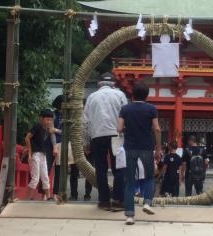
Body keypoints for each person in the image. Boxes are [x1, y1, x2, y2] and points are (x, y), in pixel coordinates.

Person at [117, 82, 161, 225]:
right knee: (149, 177)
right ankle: (147, 202)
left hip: (129, 147)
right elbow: (157, 129)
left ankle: (129, 216)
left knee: (130, 181)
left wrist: (129, 131)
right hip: (146, 148)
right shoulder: (151, 108)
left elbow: (119, 128)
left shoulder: (125, 109)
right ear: (146, 95)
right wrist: (158, 148)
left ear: (132, 94)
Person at [83, 72, 127, 211]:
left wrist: (86, 142)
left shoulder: (91, 97)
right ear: (114, 83)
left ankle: (104, 201)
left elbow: (85, 121)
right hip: (116, 135)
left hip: (97, 136)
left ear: (98, 83)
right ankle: (118, 200)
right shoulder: (120, 95)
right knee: (119, 168)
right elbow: (126, 116)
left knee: (100, 169)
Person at [51, 95, 79, 201]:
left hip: (71, 143)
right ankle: (57, 193)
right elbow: (51, 131)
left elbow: (69, 132)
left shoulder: (71, 115)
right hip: (59, 143)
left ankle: (74, 194)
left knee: (74, 170)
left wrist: (57, 131)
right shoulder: (54, 115)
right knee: (58, 170)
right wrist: (54, 145)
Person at [25, 109, 56, 200]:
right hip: (35, 154)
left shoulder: (46, 129)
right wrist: (30, 153)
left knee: (45, 177)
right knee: (36, 178)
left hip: (43, 154)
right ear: (41, 119)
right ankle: (28, 198)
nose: (49, 122)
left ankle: (48, 197)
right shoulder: (37, 126)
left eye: (50, 120)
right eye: (47, 119)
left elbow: (56, 131)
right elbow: (27, 138)